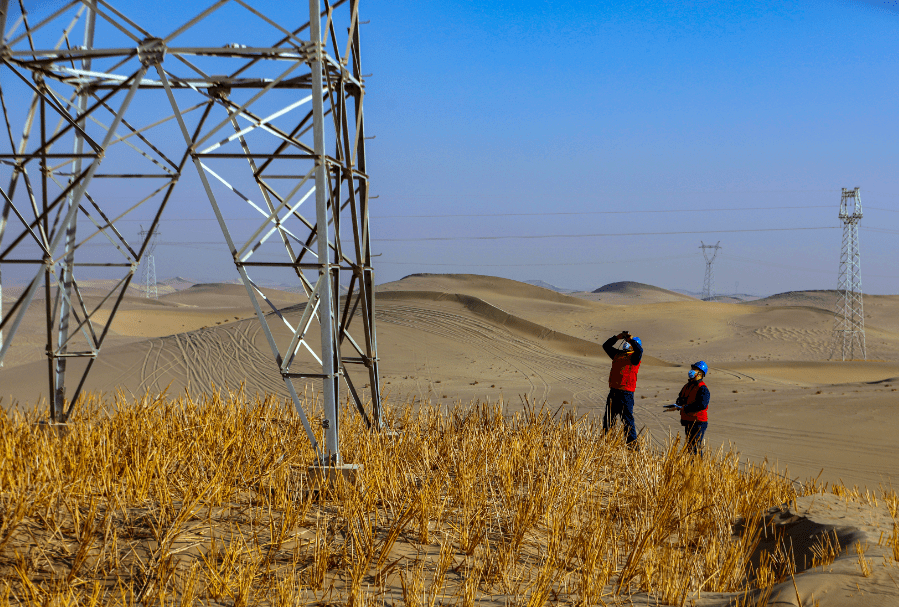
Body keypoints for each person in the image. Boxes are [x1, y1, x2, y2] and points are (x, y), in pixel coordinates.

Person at [602, 331, 643, 445]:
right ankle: (606, 443)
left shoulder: (635, 357)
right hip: (613, 392)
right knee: (608, 420)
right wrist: (618, 337)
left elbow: (640, 350)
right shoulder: (617, 354)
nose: (626, 344)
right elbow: (606, 346)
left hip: (626, 394)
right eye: (626, 342)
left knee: (627, 422)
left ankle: (632, 447)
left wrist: (631, 340)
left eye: (629, 343)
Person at [666, 361, 710, 454]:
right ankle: (692, 466)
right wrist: (678, 404)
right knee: (690, 447)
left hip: (698, 422)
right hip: (688, 420)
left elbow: (702, 405)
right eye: (692, 369)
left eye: (695, 370)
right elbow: (680, 398)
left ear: (700, 373)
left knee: (695, 447)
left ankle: (698, 467)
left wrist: (685, 407)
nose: (692, 371)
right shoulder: (687, 386)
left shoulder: (703, 388)